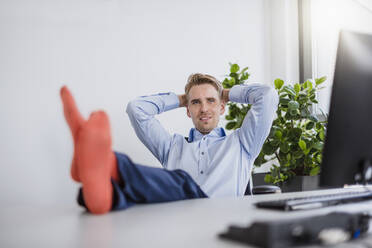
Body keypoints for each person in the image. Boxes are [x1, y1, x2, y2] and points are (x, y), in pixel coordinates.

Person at [60, 73, 278, 215]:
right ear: (188, 110)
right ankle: (101, 196)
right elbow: (136, 109)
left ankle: (107, 164)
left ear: (222, 107)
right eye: (195, 103)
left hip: (222, 218)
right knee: (147, 193)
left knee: (180, 182)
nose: (203, 108)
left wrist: (226, 94)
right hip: (177, 222)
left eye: (211, 101)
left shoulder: (242, 143)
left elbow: (267, 96)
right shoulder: (172, 146)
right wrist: (181, 98)